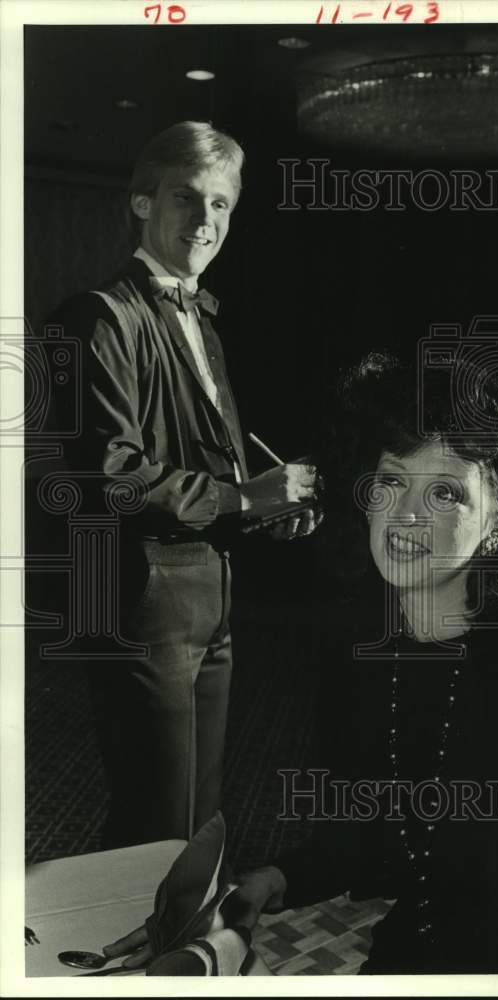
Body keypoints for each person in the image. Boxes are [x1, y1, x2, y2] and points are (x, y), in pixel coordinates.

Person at [105, 353, 498, 973]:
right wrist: (275, 879)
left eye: (445, 492)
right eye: (392, 481)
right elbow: (368, 829)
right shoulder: (355, 644)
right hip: (434, 906)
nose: (406, 514)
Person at [51, 121, 318, 850]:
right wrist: (242, 498)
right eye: (185, 198)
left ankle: (177, 952)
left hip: (211, 593)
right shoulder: (99, 317)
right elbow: (111, 476)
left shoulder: (203, 317)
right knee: (155, 821)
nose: (205, 221)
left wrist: (263, 509)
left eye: (222, 204)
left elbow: (208, 468)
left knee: (199, 815)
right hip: (145, 601)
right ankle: (131, 957)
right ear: (141, 204)